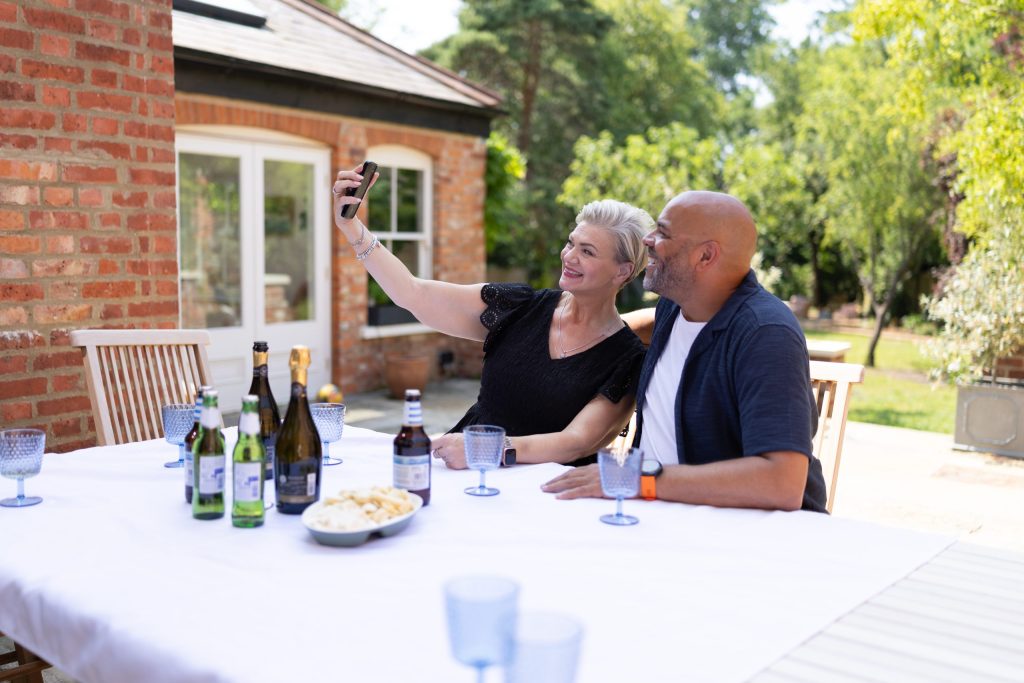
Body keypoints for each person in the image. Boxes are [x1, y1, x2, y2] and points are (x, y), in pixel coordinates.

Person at [332, 165, 650, 469]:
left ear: (622, 271)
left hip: (545, 497)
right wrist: (352, 228)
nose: (569, 256)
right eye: (571, 243)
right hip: (464, 472)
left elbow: (578, 441)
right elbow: (413, 294)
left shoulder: (626, 359)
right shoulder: (521, 307)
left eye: (588, 251)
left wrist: (486, 448)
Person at [542, 191, 827, 512]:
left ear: (705, 256)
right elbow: (644, 327)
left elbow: (782, 484)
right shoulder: (674, 307)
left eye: (662, 232)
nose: (647, 240)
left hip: (741, 531)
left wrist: (640, 480)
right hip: (655, 510)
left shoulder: (766, 335)